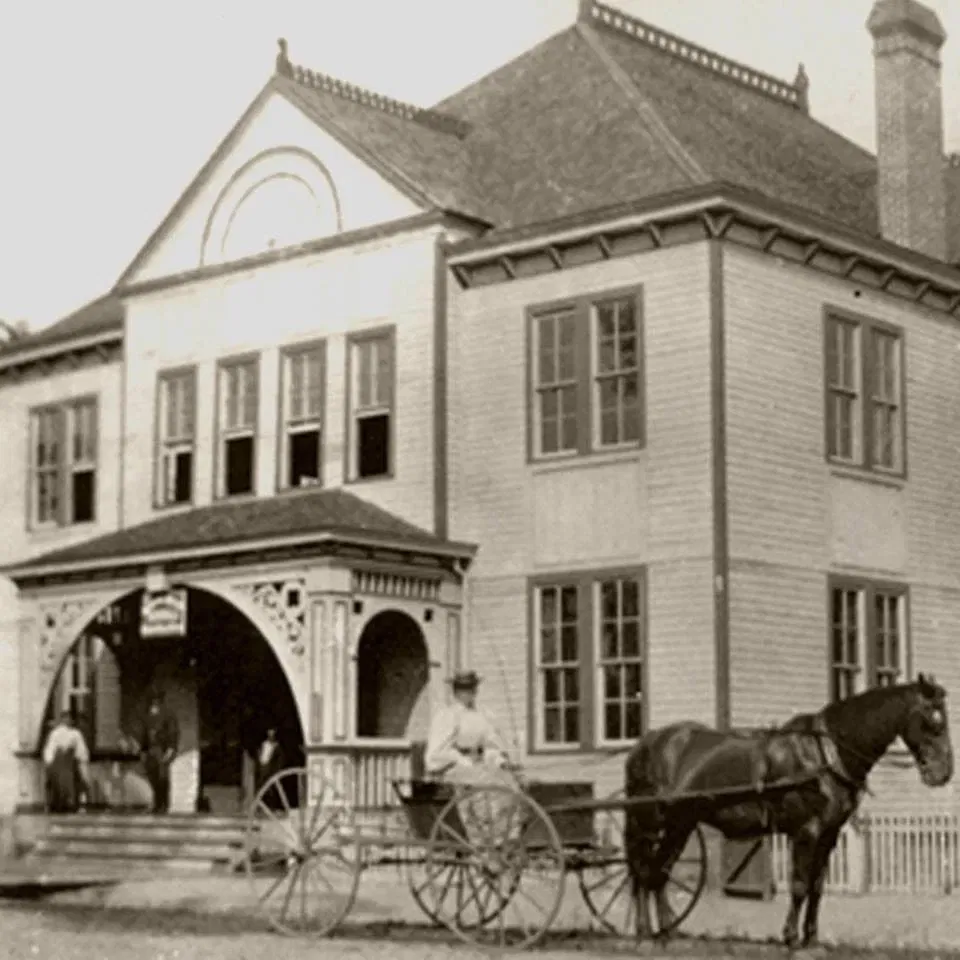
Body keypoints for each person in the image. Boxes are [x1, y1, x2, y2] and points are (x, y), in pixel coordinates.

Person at [425, 671, 513, 787]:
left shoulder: (482, 716)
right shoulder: (447, 716)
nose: (468, 692)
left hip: (478, 767)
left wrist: (500, 762)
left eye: (471, 687)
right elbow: (437, 754)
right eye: (463, 689)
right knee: (489, 780)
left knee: (511, 778)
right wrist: (464, 762)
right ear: (455, 692)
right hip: (452, 771)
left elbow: (490, 746)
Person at [136, 690, 180, 814]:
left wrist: (170, 748)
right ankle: (156, 803)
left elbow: (172, 732)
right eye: (152, 699)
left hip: (162, 748)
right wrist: (143, 750)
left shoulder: (168, 714)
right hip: (150, 749)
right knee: (152, 777)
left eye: (156, 699)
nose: (154, 702)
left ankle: (164, 804)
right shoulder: (147, 715)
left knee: (163, 777)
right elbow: (144, 733)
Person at [43, 709, 90, 813]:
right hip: (59, 762)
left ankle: (71, 803)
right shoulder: (55, 733)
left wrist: (81, 759)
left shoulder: (75, 733)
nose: (67, 720)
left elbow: (81, 750)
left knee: (73, 780)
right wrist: (49, 762)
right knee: (57, 781)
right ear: (62, 720)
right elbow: (50, 748)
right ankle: (57, 804)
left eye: (69, 718)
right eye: (65, 718)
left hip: (70, 762)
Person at [255, 727, 286, 809]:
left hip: (271, 769)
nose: (271, 734)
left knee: (271, 789)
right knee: (260, 787)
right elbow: (259, 755)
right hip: (262, 768)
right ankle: (259, 807)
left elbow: (280, 759)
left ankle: (272, 807)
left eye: (272, 733)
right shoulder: (263, 744)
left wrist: (276, 770)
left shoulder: (277, 746)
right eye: (269, 732)